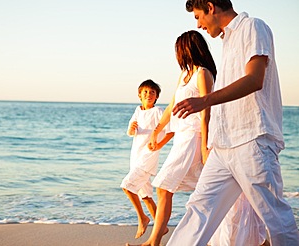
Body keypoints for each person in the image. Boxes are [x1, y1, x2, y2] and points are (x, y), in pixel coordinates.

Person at [166, 1, 299, 245]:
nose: (198, 24)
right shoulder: (227, 41)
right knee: (198, 210)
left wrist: (205, 101)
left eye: (198, 16)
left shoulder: (253, 26)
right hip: (223, 145)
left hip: (252, 140)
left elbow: (254, 79)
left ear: (210, 7)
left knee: (275, 218)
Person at [126, 30, 216, 246]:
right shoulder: (185, 76)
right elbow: (171, 107)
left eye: (178, 49)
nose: (177, 54)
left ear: (187, 48)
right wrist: (156, 130)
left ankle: (154, 241)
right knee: (201, 189)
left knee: (164, 186)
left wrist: (204, 145)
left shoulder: (202, 74)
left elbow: (207, 110)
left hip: (194, 137)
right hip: (182, 139)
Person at [121, 79, 174, 239]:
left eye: (152, 92)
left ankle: (143, 218)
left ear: (157, 96)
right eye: (145, 92)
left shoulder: (158, 111)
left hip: (148, 157)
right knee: (146, 196)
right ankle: (162, 227)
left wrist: (159, 145)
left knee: (127, 186)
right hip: (135, 156)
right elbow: (131, 132)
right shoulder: (137, 111)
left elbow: (171, 130)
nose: (149, 95)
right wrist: (131, 129)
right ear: (139, 95)